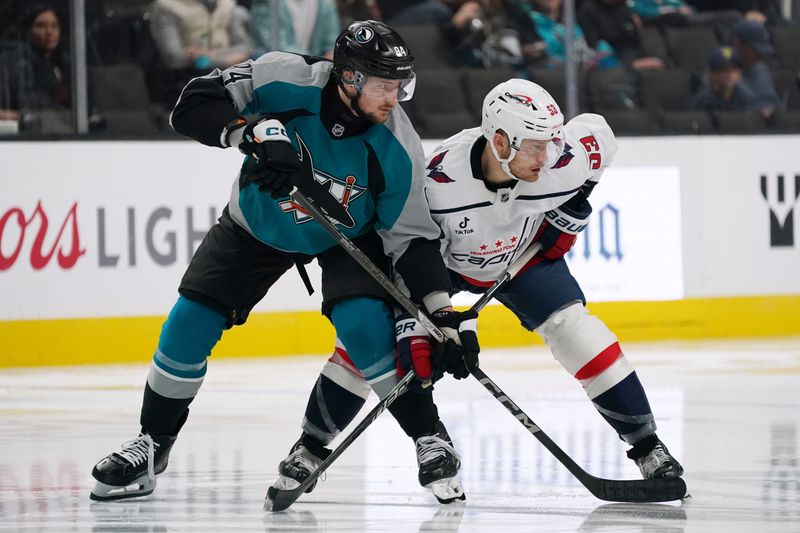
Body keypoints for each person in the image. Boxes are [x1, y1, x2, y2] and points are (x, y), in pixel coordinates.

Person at [89, 20, 479, 503]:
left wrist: (442, 313)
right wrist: (248, 134)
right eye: (384, 86)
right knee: (189, 322)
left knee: (362, 325)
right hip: (256, 225)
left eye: (400, 85)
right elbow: (191, 105)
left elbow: (413, 240)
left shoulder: (399, 147)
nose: (394, 98)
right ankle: (153, 444)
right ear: (349, 76)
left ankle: (430, 437)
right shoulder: (283, 77)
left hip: (347, 238)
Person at [276, 79, 685, 503]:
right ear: (501, 141)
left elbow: (600, 137)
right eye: (535, 148)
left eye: (551, 145)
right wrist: (428, 326)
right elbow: (414, 256)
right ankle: (311, 448)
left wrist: (573, 205)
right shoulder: (436, 186)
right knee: (370, 347)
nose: (547, 158)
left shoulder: (562, 158)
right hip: (444, 268)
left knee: (578, 331)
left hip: (522, 259)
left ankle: (648, 448)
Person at [0, 3, 71, 131]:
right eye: (41, 26)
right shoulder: (17, 65)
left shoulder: (67, 65)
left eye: (54, 26)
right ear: (27, 30)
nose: (49, 31)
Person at [248, 0, 341, 59]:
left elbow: (331, 45)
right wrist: (315, 62)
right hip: (277, 66)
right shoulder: (267, 3)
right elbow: (276, 46)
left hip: (314, 70)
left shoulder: (325, 4)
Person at [729, 19, 783, 118]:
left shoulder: (762, 69)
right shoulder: (720, 74)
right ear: (737, 45)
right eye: (755, 50)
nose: (760, 56)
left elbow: (774, 102)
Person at [692, 45, 758, 111]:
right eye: (724, 70)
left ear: (740, 73)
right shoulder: (704, 101)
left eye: (734, 70)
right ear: (713, 74)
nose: (730, 75)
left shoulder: (746, 99)